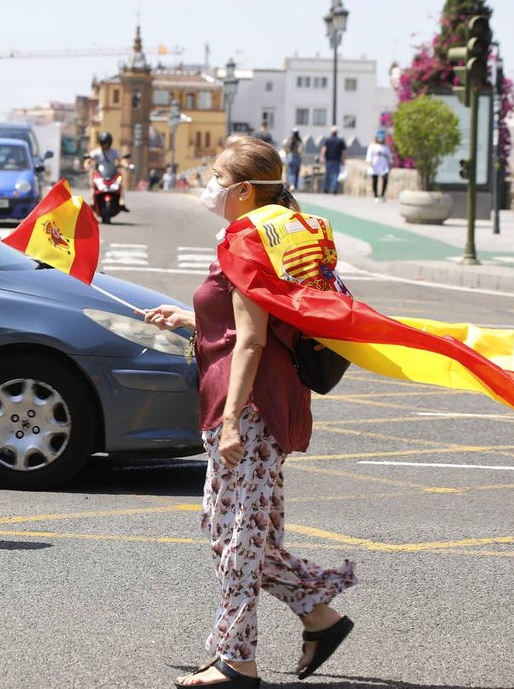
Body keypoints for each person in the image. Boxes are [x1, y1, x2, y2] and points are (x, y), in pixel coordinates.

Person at [138, 136, 356, 688]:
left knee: (236, 533)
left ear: (241, 190)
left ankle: (237, 659)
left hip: (252, 407)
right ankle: (318, 614)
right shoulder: (262, 235)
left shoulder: (250, 241)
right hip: (246, 401)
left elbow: (254, 341)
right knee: (236, 530)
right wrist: (189, 320)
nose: (207, 185)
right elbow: (248, 321)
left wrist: (233, 419)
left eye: (215, 177)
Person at [85, 131, 129, 211]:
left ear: (110, 143)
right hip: (100, 174)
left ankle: (121, 201)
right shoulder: (96, 152)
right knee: (93, 185)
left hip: (111, 174)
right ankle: (91, 201)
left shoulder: (114, 152)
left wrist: (125, 164)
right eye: (104, 143)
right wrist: (87, 164)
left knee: (121, 185)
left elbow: (121, 159)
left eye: (107, 143)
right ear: (101, 143)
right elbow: (88, 160)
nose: (105, 145)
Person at [366, 130, 393, 202]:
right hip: (375, 165)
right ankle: (376, 195)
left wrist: (390, 164)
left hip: (384, 166)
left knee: (385, 179)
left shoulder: (386, 147)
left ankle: (382, 194)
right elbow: (369, 156)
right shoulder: (372, 146)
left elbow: (389, 157)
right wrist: (370, 163)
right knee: (375, 180)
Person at [319, 126, 347, 194]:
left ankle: (326, 188)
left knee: (327, 174)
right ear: (337, 132)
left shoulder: (327, 140)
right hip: (337, 160)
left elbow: (324, 149)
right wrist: (343, 160)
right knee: (335, 175)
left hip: (329, 159)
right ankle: (334, 189)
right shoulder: (340, 141)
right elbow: (343, 152)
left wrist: (322, 157)